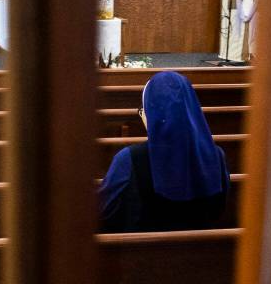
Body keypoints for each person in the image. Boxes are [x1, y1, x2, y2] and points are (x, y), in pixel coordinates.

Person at [98, 72, 229, 233]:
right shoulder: (216, 156)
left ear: (151, 114)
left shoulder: (128, 159)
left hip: (138, 255)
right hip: (202, 255)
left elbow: (101, 215)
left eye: (143, 110)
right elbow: (219, 210)